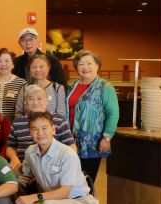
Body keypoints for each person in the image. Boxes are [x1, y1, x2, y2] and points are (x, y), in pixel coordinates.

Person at [67, 50, 119, 191]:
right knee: (69, 181)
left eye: (89, 63)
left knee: (85, 182)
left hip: (91, 142)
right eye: (81, 64)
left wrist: (107, 138)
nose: (85, 67)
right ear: (76, 67)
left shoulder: (105, 87)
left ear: (97, 66)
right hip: (70, 140)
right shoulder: (73, 85)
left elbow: (113, 113)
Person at [8, 85, 76, 162]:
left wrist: (64, 162)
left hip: (53, 163)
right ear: (26, 102)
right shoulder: (17, 123)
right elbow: (10, 146)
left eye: (39, 98)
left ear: (46, 101)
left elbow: (71, 145)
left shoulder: (58, 120)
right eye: (31, 99)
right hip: (23, 163)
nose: (35, 102)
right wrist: (14, 158)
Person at [16, 54, 68, 119]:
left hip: (51, 125)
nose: (38, 70)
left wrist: (46, 124)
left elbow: (61, 114)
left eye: (41, 67)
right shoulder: (24, 88)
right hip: (27, 125)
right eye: (34, 67)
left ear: (48, 68)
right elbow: (18, 113)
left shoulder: (58, 88)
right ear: (29, 70)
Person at [0, 48, 28, 120]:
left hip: (13, 124)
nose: (3, 64)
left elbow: (25, 108)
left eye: (7, 61)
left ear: (13, 65)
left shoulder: (21, 83)